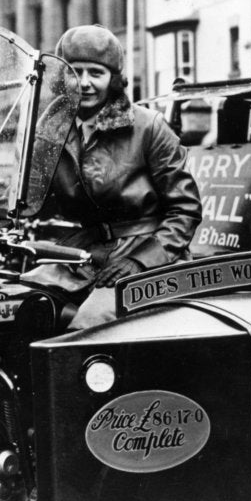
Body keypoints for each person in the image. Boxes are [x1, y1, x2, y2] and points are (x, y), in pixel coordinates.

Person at [33, 24, 202, 328]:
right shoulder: (52, 130)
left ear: (113, 79)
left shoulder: (148, 127)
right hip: (88, 250)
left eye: (95, 73)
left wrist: (139, 260)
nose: (84, 83)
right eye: (74, 72)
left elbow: (185, 210)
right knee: (21, 304)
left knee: (88, 324)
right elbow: (30, 196)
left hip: (151, 252)